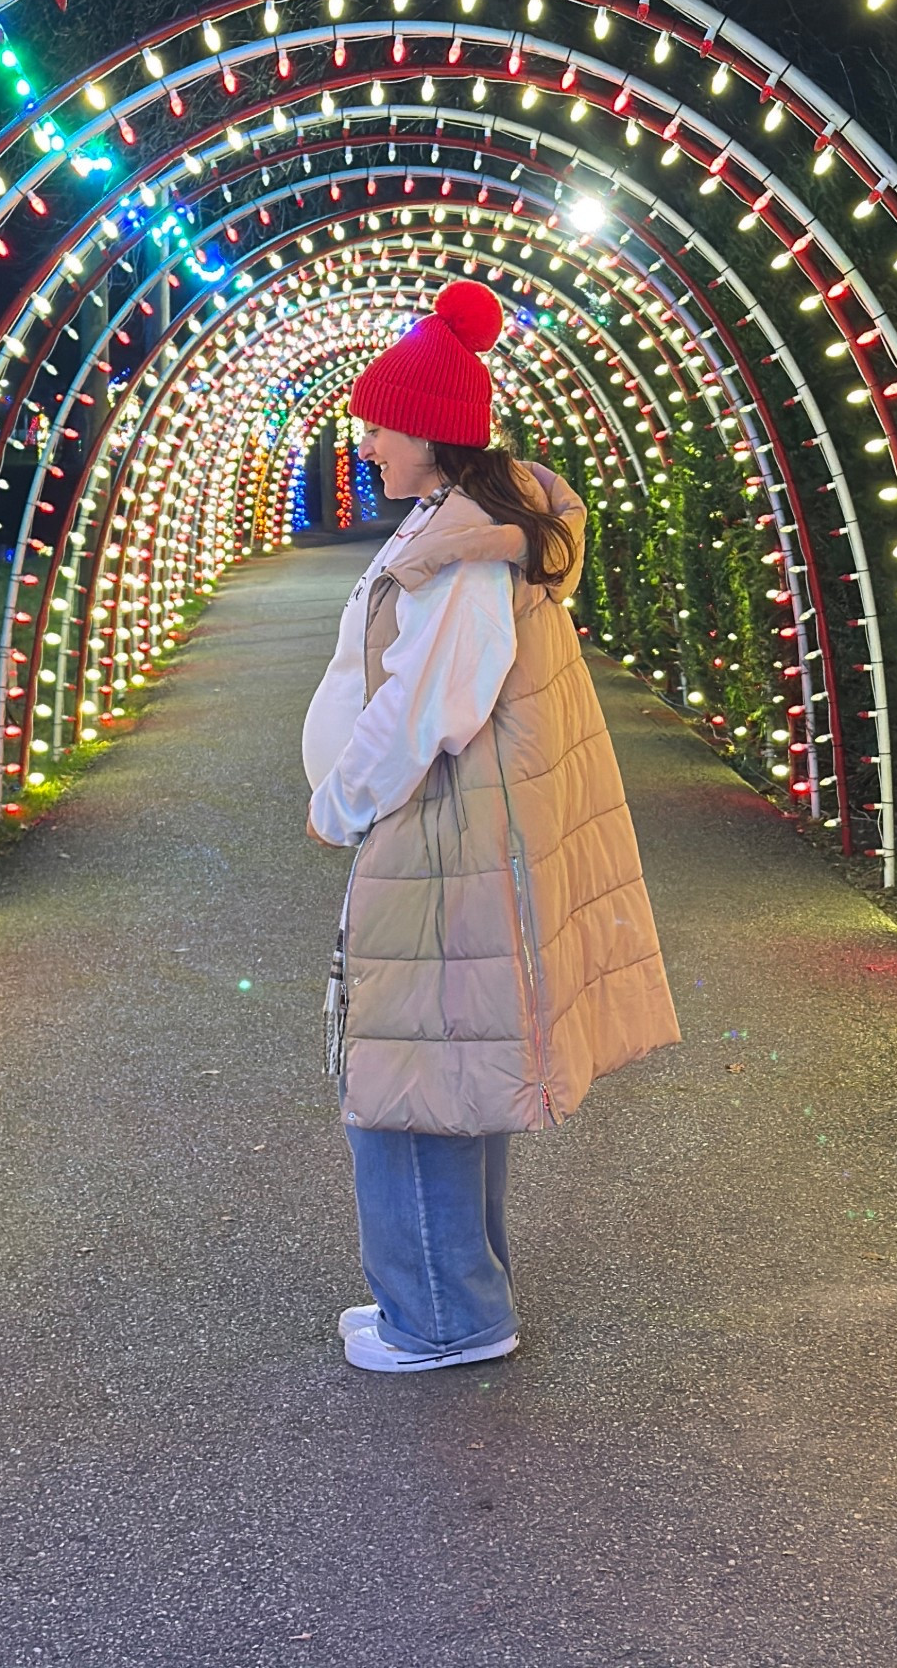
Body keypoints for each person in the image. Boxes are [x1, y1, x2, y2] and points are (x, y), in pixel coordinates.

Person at [301, 277, 681, 1375]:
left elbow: (431, 706)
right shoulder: (459, 526)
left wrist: (340, 800)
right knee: (448, 1067)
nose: (364, 438)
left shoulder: (464, 553)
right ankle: (447, 1293)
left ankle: (447, 1318)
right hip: (450, 830)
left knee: (411, 1080)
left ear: (428, 432)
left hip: (442, 829)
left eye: (377, 421)